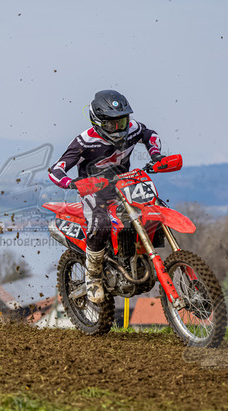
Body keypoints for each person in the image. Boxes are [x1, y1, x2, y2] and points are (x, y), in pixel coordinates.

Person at [48, 90, 164, 303]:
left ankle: (137, 255)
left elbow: (150, 135)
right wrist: (72, 183)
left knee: (154, 208)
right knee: (101, 224)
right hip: (94, 192)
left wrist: (156, 155)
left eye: (122, 121)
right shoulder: (84, 142)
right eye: (112, 124)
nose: (118, 127)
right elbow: (56, 170)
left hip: (124, 186)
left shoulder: (133, 128)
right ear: (98, 122)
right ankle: (93, 275)